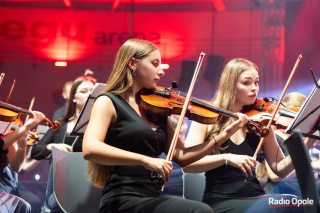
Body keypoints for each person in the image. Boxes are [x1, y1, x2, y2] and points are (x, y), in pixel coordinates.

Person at [82, 39, 233, 212]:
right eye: (154, 64)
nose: (161, 72)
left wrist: (223, 135)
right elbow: (90, 148)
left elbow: (182, 156)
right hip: (122, 199)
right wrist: (144, 160)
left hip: (153, 196)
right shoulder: (108, 102)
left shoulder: (156, 109)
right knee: (200, 211)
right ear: (132, 63)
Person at [183, 58, 317, 213]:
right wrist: (227, 158)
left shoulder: (260, 121)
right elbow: (188, 165)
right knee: (279, 206)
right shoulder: (208, 118)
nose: (254, 88)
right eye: (247, 83)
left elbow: (280, 169)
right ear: (231, 85)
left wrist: (309, 140)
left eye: (256, 82)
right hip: (221, 200)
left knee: (298, 203)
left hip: (257, 196)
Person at [31, 74, 96, 212]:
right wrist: (51, 146)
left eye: (93, 91)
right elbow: (36, 151)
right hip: (63, 183)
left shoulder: (100, 125)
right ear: (73, 97)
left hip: (89, 181)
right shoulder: (60, 124)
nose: (90, 95)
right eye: (84, 91)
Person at [257, 92, 320, 197]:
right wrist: (313, 166)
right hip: (281, 194)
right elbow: (275, 176)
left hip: (301, 192)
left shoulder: (300, 140)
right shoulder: (275, 138)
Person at [0, 111, 45, 213]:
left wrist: (22, 143)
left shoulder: (5, 126)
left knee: (31, 203)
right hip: (2, 182)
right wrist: (24, 128)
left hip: (8, 179)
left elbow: (17, 167)